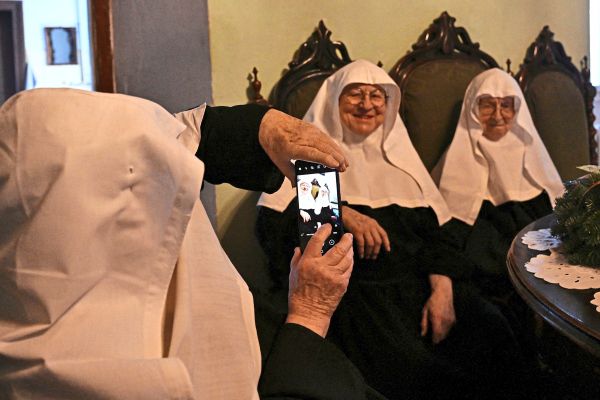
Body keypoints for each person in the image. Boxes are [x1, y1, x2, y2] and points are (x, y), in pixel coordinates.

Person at [0, 88, 383, 400]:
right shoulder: (81, 373)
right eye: (142, 178)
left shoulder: (45, 219)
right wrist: (310, 315)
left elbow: (174, 138)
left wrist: (259, 125)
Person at [257, 60, 522, 399]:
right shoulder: (312, 160)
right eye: (355, 95)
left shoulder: (404, 163)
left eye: (376, 96)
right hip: (354, 297)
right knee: (417, 370)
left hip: (417, 286)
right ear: (334, 102)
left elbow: (439, 236)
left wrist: (442, 290)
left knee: (492, 328)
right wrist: (341, 212)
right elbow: (274, 231)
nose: (366, 105)